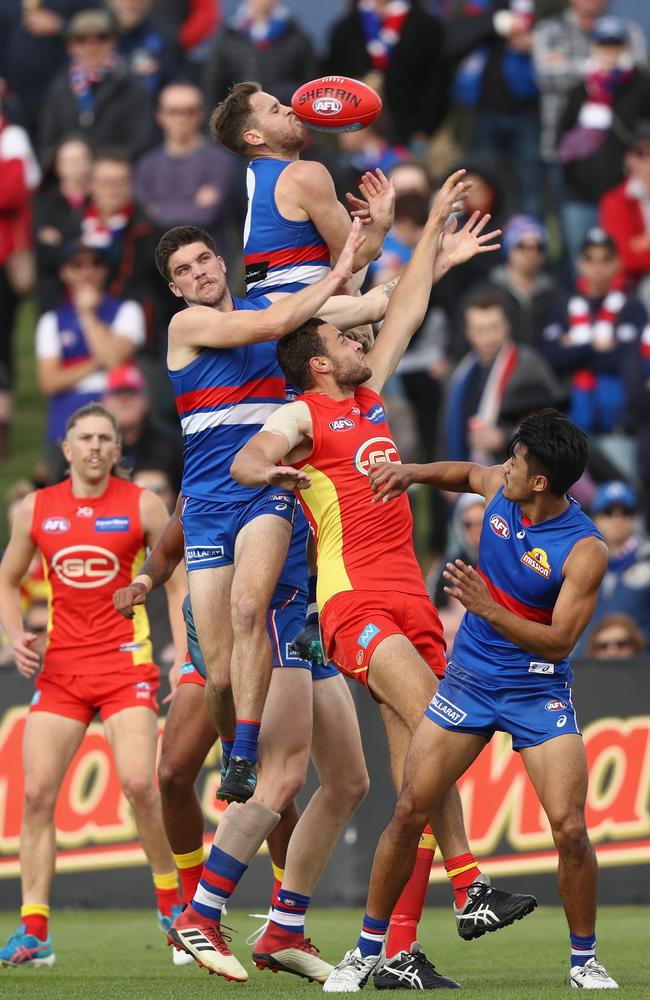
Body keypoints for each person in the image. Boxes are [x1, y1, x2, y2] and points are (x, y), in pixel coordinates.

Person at [231, 177, 537, 990]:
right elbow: (246, 457)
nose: (369, 338)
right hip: (357, 602)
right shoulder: (305, 412)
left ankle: (394, 951)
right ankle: (468, 890)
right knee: (444, 720)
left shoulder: (363, 400)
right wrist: (277, 476)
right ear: (322, 356)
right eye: (349, 337)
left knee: (419, 781)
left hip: (409, 594)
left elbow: (403, 309)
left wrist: (433, 224)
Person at [326, 408, 618, 991]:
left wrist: (486, 608)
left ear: (540, 482)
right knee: (410, 809)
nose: (502, 468)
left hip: (538, 687)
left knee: (568, 829)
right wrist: (411, 472)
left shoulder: (585, 550)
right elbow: (463, 472)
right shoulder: (500, 490)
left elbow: (560, 640)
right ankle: (364, 953)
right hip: (470, 682)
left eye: (515, 462)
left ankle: (585, 961)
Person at [113, 496, 368, 983]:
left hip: (307, 622)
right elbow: (184, 558)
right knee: (271, 777)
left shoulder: (310, 466)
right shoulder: (236, 474)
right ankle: (200, 911)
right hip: (264, 622)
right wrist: (146, 580)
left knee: (349, 781)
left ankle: (285, 928)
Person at [0, 402, 187, 968]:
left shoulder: (142, 505)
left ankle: (173, 911)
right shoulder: (36, 508)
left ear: (117, 449)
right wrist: (15, 635)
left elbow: (176, 583)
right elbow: (8, 580)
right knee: (34, 797)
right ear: (66, 448)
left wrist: (182, 654)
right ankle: (35, 932)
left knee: (139, 784)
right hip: (59, 669)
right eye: (85, 438)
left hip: (125, 664)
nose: (96, 447)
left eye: (105, 438)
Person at [208, 80, 396, 302]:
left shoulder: (256, 174)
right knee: (393, 298)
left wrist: (370, 234)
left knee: (357, 303)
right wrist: (381, 225)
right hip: (292, 314)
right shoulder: (304, 174)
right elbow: (354, 260)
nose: (290, 109)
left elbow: (349, 272)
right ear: (255, 137)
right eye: (276, 110)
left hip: (269, 307)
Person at [541, 227, 647, 478]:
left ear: (617, 263)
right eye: (590, 259)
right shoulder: (565, 304)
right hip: (571, 431)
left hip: (618, 429)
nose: (597, 267)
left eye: (605, 259)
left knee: (623, 503)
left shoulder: (632, 306)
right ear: (580, 263)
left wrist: (575, 347)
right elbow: (550, 357)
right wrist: (593, 344)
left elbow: (627, 357)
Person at [35, 242, 145, 479]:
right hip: (65, 423)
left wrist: (87, 314)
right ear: (64, 272)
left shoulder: (128, 310)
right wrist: (99, 358)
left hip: (118, 421)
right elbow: (49, 381)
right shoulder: (50, 321)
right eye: (77, 265)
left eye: (95, 264)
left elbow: (114, 361)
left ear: (105, 270)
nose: (87, 271)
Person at [445, 287, 563, 465]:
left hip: (516, 469)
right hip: (464, 472)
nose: (488, 336)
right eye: (480, 330)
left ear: (507, 325)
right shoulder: (461, 372)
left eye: (494, 327)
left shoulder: (528, 364)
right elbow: (446, 428)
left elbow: (556, 421)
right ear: (468, 332)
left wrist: (505, 437)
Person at [323, 0, 448, 148]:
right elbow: (333, 80)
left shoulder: (427, 26)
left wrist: (424, 129)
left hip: (409, 132)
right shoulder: (345, 28)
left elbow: (436, 82)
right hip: (357, 135)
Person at [38, 8, 155, 161]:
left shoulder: (132, 86)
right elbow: (47, 142)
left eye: (101, 38)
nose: (92, 46)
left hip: (116, 177)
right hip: (72, 177)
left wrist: (105, 164)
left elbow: (141, 140)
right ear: (71, 46)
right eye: (82, 39)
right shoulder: (59, 89)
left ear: (113, 42)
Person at [135, 82, 235, 256]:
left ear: (201, 115)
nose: (181, 119)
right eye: (173, 111)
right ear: (160, 115)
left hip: (210, 263)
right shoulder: (146, 166)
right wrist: (193, 206)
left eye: (189, 111)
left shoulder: (220, 161)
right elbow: (146, 220)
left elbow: (205, 215)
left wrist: (160, 208)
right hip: (158, 267)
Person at [576, 481, 650, 653]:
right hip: (589, 666)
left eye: (625, 512)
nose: (618, 519)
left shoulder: (646, 559)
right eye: (608, 512)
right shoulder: (580, 564)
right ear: (595, 518)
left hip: (640, 668)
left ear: (634, 517)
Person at [203, 0, 318, 110]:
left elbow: (310, 84)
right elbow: (213, 85)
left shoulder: (297, 36)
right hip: (241, 117)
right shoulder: (227, 36)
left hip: (285, 113)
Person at [482, 214, 564, 349]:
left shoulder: (556, 295)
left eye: (539, 247)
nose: (532, 254)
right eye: (522, 246)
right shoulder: (487, 293)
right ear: (508, 249)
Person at [33, 134, 94, 315]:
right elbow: (46, 254)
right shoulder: (45, 200)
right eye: (68, 160)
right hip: (55, 292)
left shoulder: (100, 199)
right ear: (57, 166)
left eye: (81, 158)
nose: (75, 165)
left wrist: (62, 240)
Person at [599, 120, 650, 307]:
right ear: (628, 159)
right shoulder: (615, 201)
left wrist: (645, 243)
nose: (647, 159)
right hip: (632, 286)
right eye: (639, 153)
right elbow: (624, 258)